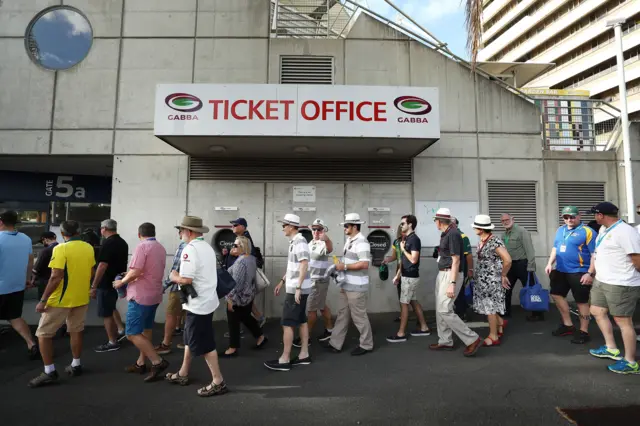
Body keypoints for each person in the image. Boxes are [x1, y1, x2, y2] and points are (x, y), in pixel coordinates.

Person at [165, 216, 228, 396]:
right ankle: (183, 373)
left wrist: (173, 276)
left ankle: (218, 381)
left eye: (182, 230)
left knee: (204, 344)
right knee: (190, 338)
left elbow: (186, 279)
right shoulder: (206, 247)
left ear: (189, 232)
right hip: (207, 301)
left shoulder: (190, 249)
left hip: (197, 305)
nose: (180, 234)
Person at [28, 220, 95, 388]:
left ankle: (49, 371)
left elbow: (55, 276)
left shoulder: (60, 249)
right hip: (80, 297)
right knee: (76, 330)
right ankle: (76, 364)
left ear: (63, 234)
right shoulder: (88, 247)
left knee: (43, 334)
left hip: (60, 299)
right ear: (78, 232)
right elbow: (91, 271)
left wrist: (43, 300)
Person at [586, 202, 640, 374]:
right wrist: (592, 272)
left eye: (595, 214)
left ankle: (631, 362)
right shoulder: (603, 229)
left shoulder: (625, 231)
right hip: (603, 281)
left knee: (623, 321)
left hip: (621, 283)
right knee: (596, 311)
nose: (594, 217)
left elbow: (637, 258)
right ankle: (611, 348)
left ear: (601, 215)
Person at [114, 223, 168, 382]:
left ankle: (157, 361)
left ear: (139, 234)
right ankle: (141, 363)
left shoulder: (141, 247)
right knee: (146, 329)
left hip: (140, 295)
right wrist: (129, 274)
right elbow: (147, 269)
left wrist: (121, 281)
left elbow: (136, 270)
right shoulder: (160, 247)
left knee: (131, 333)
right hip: (154, 294)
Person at [429, 208, 482, 357]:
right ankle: (445, 341)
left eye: (435, 220)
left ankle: (472, 339)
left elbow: (456, 259)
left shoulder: (453, 234)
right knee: (440, 309)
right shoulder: (447, 233)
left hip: (450, 274)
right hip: (444, 273)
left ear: (439, 221)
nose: (435, 223)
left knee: (445, 309)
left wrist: (452, 282)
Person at [321, 213, 374, 356]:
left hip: (356, 288)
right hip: (346, 285)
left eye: (346, 226)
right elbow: (352, 262)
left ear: (355, 227)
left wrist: (343, 267)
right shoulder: (350, 240)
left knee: (359, 317)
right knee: (342, 315)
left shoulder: (361, 242)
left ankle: (367, 344)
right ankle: (335, 343)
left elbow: (364, 264)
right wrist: (341, 265)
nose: (344, 228)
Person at [265, 214, 312, 371]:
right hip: (297, 288)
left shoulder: (299, 242)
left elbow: (304, 264)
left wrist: (297, 288)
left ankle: (284, 359)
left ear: (292, 226)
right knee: (302, 320)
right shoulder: (295, 241)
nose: (283, 227)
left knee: (287, 323)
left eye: (284, 225)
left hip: (296, 291)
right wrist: (282, 281)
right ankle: (304, 354)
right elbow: (295, 266)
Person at [544, 206, 595, 345]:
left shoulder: (587, 231)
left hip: (579, 271)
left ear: (579, 216)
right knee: (556, 294)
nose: (569, 220)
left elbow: (594, 255)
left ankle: (584, 331)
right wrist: (550, 263)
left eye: (572, 217)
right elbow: (555, 248)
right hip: (561, 270)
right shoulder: (561, 230)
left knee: (581, 302)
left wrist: (590, 273)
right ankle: (568, 325)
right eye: (566, 217)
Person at [0, 210, 39, 360]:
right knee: (15, 316)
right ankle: (31, 344)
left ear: (1, 222)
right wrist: (27, 279)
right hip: (17, 285)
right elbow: (30, 261)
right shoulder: (25, 238)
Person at [387, 214, 430, 342]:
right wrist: (398, 275)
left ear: (410, 224)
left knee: (404, 304)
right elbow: (403, 261)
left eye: (403, 223)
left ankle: (401, 333)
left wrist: (402, 249)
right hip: (406, 275)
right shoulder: (408, 239)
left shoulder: (414, 239)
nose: (401, 226)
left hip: (410, 276)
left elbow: (413, 259)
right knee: (413, 301)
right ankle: (424, 327)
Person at [223, 235, 267, 357]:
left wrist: (231, 300)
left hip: (239, 297)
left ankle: (233, 347)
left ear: (243, 247)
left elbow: (236, 284)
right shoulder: (251, 258)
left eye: (235, 245)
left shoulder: (241, 262)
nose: (233, 247)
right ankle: (260, 336)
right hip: (249, 295)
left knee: (233, 322)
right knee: (245, 317)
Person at [471, 215, 512, 347]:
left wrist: (503, 275)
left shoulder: (494, 241)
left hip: (491, 281)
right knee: (487, 306)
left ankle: (493, 336)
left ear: (481, 229)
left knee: (490, 308)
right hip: (483, 280)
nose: (474, 229)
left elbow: (508, 260)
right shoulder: (482, 241)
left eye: (475, 227)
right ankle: (500, 323)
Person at [293, 218, 334, 346]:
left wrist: (326, 239)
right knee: (322, 307)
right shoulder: (311, 243)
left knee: (311, 310)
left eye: (319, 229)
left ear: (323, 230)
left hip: (318, 282)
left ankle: (306, 337)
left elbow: (330, 248)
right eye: (314, 229)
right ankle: (330, 330)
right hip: (313, 281)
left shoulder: (323, 243)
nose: (316, 231)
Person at [91, 219, 129, 352]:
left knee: (106, 312)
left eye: (101, 228)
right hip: (117, 281)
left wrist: (94, 285)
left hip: (106, 282)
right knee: (111, 307)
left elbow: (102, 265)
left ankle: (112, 342)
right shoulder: (122, 242)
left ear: (104, 228)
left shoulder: (108, 243)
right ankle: (120, 329)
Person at [500, 213, 544, 321]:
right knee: (506, 289)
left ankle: (537, 314)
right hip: (510, 266)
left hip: (523, 265)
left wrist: (531, 266)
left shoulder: (522, 231)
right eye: (503, 221)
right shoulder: (504, 234)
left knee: (531, 289)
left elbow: (529, 249)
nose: (505, 222)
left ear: (512, 219)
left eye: (506, 219)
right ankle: (505, 312)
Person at [224, 217, 265, 327]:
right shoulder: (240, 238)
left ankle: (249, 327)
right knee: (246, 307)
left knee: (240, 308)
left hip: (240, 280)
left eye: (235, 225)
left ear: (243, 227)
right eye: (233, 225)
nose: (233, 227)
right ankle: (258, 323)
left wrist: (232, 253)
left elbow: (246, 257)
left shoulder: (245, 239)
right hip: (240, 280)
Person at [155, 233, 186, 355]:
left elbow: (175, 269)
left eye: (180, 230)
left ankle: (166, 344)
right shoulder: (199, 246)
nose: (179, 233)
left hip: (178, 286)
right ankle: (187, 341)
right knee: (187, 314)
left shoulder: (183, 246)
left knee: (171, 314)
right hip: (191, 287)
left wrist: (164, 285)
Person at [453, 218, 475, 322]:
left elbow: (469, 255)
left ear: (455, 224)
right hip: (450, 269)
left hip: (460, 269)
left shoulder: (463, 236)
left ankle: (462, 313)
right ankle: (460, 310)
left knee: (460, 292)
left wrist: (470, 269)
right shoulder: (446, 235)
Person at [31, 231, 58, 300]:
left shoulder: (45, 251)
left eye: (42, 241)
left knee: (44, 302)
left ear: (45, 239)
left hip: (45, 281)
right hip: (59, 280)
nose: (43, 243)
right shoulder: (62, 249)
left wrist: (32, 280)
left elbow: (36, 268)